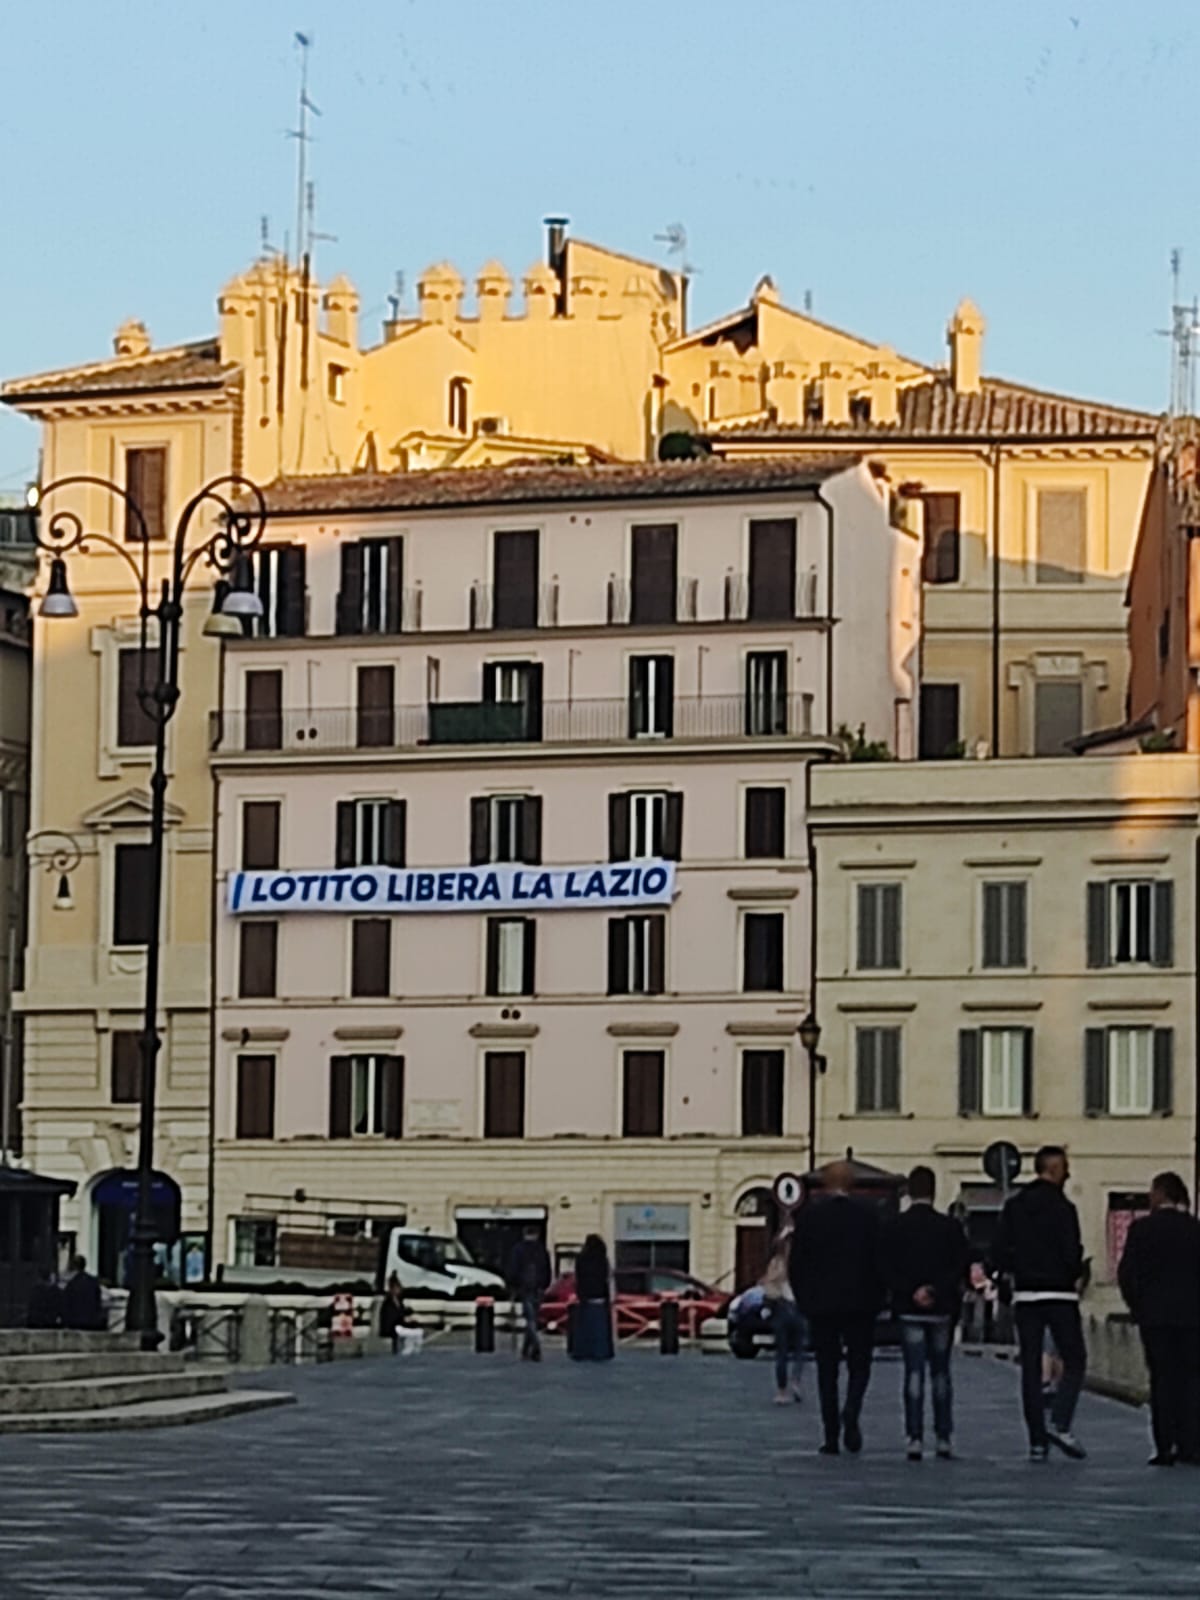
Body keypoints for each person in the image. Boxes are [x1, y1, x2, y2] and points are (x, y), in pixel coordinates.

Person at [991, 1146, 1087, 1461]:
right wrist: (1073, 1272)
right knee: (1075, 1359)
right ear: (1055, 1169)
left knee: (1030, 1368)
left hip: (1026, 1295)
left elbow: (999, 1250)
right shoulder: (1064, 1208)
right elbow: (1072, 1252)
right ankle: (1059, 1421)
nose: (1069, 1173)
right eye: (1066, 1167)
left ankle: (1036, 1441)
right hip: (1059, 1292)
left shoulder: (1015, 1207)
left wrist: (1009, 1276)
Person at [788, 1161, 883, 1455]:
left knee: (826, 1370)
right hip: (861, 1303)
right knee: (859, 1366)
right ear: (853, 1184)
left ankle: (830, 1435)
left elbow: (797, 1264)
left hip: (822, 1305)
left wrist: (805, 1300)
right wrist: (880, 1298)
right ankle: (851, 1410)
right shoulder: (869, 1215)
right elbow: (880, 1261)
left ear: (826, 1185)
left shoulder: (810, 1217)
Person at [884, 1165, 970, 1461]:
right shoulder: (950, 1227)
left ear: (909, 1191)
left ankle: (914, 1438)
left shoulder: (895, 1226)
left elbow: (888, 1268)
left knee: (914, 1373)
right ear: (934, 1191)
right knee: (941, 1374)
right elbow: (959, 1266)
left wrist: (911, 1291)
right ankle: (944, 1437)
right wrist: (934, 1290)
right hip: (942, 1309)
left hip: (909, 1309)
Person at [1118, 1171, 1200, 1466]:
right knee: (1191, 1381)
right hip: (1192, 1318)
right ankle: (1191, 1445)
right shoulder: (1195, 1229)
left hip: (1155, 1318)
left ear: (1162, 1194)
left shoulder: (1141, 1230)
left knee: (1162, 1380)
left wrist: (1139, 1309)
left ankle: (1164, 1446)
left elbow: (1127, 1275)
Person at [761, 1232, 804, 1405]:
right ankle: (794, 1382)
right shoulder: (801, 1261)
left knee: (783, 1352)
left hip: (783, 1307)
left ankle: (783, 1389)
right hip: (795, 1307)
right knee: (798, 1350)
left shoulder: (776, 1263)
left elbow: (769, 1286)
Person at [507, 1224, 552, 1363]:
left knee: (530, 1319)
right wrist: (545, 1285)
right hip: (538, 1287)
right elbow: (547, 1269)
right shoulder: (542, 1250)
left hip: (525, 1287)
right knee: (533, 1317)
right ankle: (527, 1350)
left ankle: (536, 1347)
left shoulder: (518, 1249)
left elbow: (513, 1269)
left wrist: (513, 1286)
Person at [570, 1234, 614, 1362]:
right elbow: (607, 1278)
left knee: (584, 1327)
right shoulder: (602, 1259)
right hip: (600, 1296)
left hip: (585, 1296)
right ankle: (600, 1351)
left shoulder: (581, 1259)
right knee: (599, 1328)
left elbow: (578, 1278)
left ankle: (582, 1351)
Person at [378, 1273, 423, 1357]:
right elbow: (391, 1318)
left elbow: (401, 1313)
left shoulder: (399, 1301)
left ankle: (412, 1347)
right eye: (397, 1288)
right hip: (391, 1327)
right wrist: (403, 1319)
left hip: (397, 1325)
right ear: (393, 1289)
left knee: (414, 1326)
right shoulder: (388, 1303)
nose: (399, 1290)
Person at [60, 1254, 106, 1332]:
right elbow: (98, 1302)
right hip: (91, 1322)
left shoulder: (71, 1284)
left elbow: (66, 1304)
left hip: (75, 1322)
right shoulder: (93, 1282)